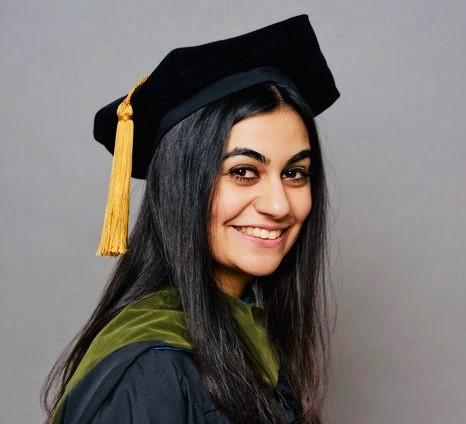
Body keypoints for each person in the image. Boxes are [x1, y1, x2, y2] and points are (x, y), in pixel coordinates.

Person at [41, 13, 340, 424]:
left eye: (295, 173)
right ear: (183, 185)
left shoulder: (248, 337)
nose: (279, 205)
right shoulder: (150, 370)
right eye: (242, 172)